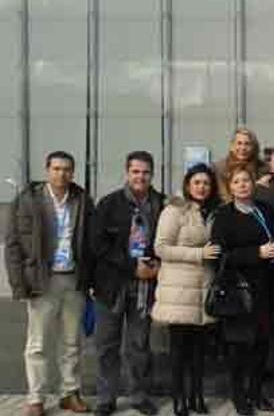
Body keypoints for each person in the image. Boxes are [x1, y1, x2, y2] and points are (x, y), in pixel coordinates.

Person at [5, 151, 94, 416]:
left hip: (73, 279)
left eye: (67, 169)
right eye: (56, 169)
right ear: (47, 170)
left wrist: (90, 280)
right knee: (38, 344)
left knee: (71, 343)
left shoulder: (82, 200)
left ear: (73, 172)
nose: (61, 174)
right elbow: (12, 245)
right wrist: (19, 283)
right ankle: (36, 398)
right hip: (42, 281)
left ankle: (69, 393)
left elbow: (91, 243)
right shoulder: (28, 201)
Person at [91, 151, 164, 416]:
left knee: (139, 345)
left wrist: (156, 264)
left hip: (145, 288)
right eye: (135, 171)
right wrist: (133, 267)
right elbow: (98, 245)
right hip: (112, 286)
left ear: (152, 174)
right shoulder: (109, 204)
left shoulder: (161, 203)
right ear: (127, 172)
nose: (140, 177)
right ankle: (106, 398)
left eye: (145, 172)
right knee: (107, 345)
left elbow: (165, 240)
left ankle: (139, 395)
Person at [151, 163, 221, 416]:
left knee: (199, 352)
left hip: (203, 289)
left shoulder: (213, 211)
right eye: (197, 182)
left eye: (206, 183)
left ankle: (196, 396)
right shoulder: (174, 210)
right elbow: (161, 248)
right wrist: (198, 254)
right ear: (188, 185)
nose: (202, 187)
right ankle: (179, 399)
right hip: (179, 291)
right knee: (179, 351)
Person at [210, 167, 274, 416]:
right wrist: (256, 254)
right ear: (230, 187)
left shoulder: (265, 210)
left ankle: (256, 391)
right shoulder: (224, 215)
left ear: (253, 184)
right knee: (239, 346)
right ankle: (239, 396)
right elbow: (220, 255)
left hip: (265, 287)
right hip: (237, 289)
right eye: (236, 181)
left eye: (246, 181)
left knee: (261, 344)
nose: (242, 185)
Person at [214, 128, 268, 202]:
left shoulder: (263, 168)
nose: (243, 148)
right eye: (239, 143)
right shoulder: (220, 168)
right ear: (232, 146)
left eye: (247, 144)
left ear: (254, 148)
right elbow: (223, 195)